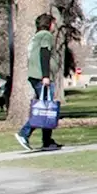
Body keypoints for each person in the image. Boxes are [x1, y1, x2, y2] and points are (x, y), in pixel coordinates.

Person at [15, 13, 62, 151]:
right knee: (44, 109)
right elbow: (44, 54)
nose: (55, 26)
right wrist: (46, 75)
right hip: (42, 76)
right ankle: (24, 134)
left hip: (35, 75)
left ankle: (47, 141)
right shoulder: (46, 36)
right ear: (49, 24)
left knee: (47, 109)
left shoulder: (36, 36)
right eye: (53, 23)